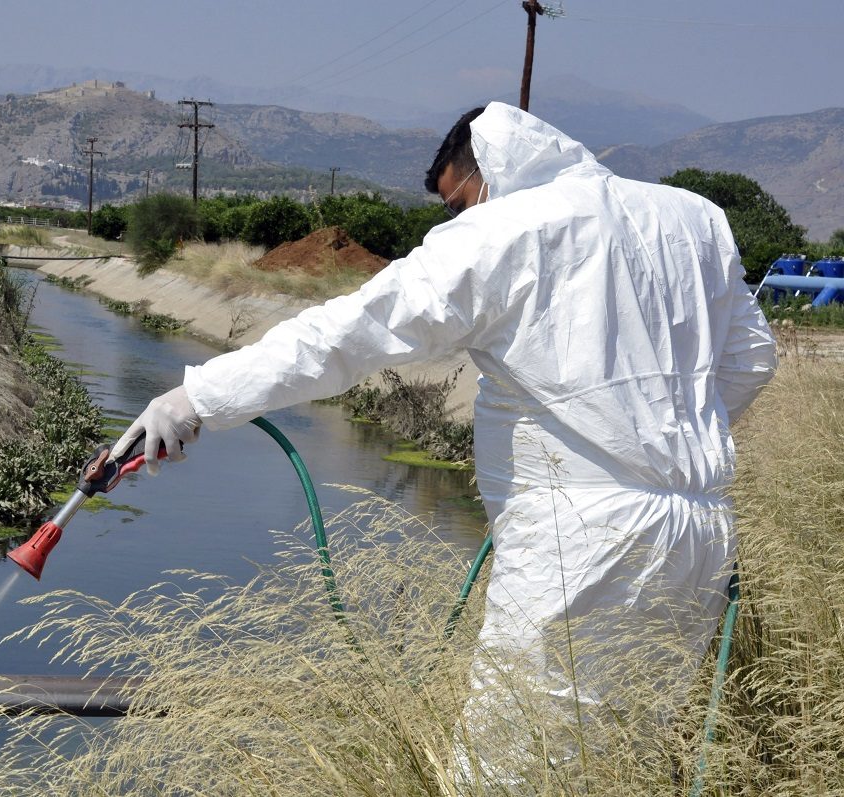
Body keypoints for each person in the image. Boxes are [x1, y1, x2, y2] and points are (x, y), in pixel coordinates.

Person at [112, 101, 777, 776]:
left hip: (580, 543)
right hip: (699, 534)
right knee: (625, 757)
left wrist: (197, 397)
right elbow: (753, 357)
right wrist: (657, 445)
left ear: (489, 169)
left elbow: (348, 333)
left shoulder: (507, 230)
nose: (458, 217)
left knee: (507, 764)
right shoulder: (692, 219)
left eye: (459, 200)